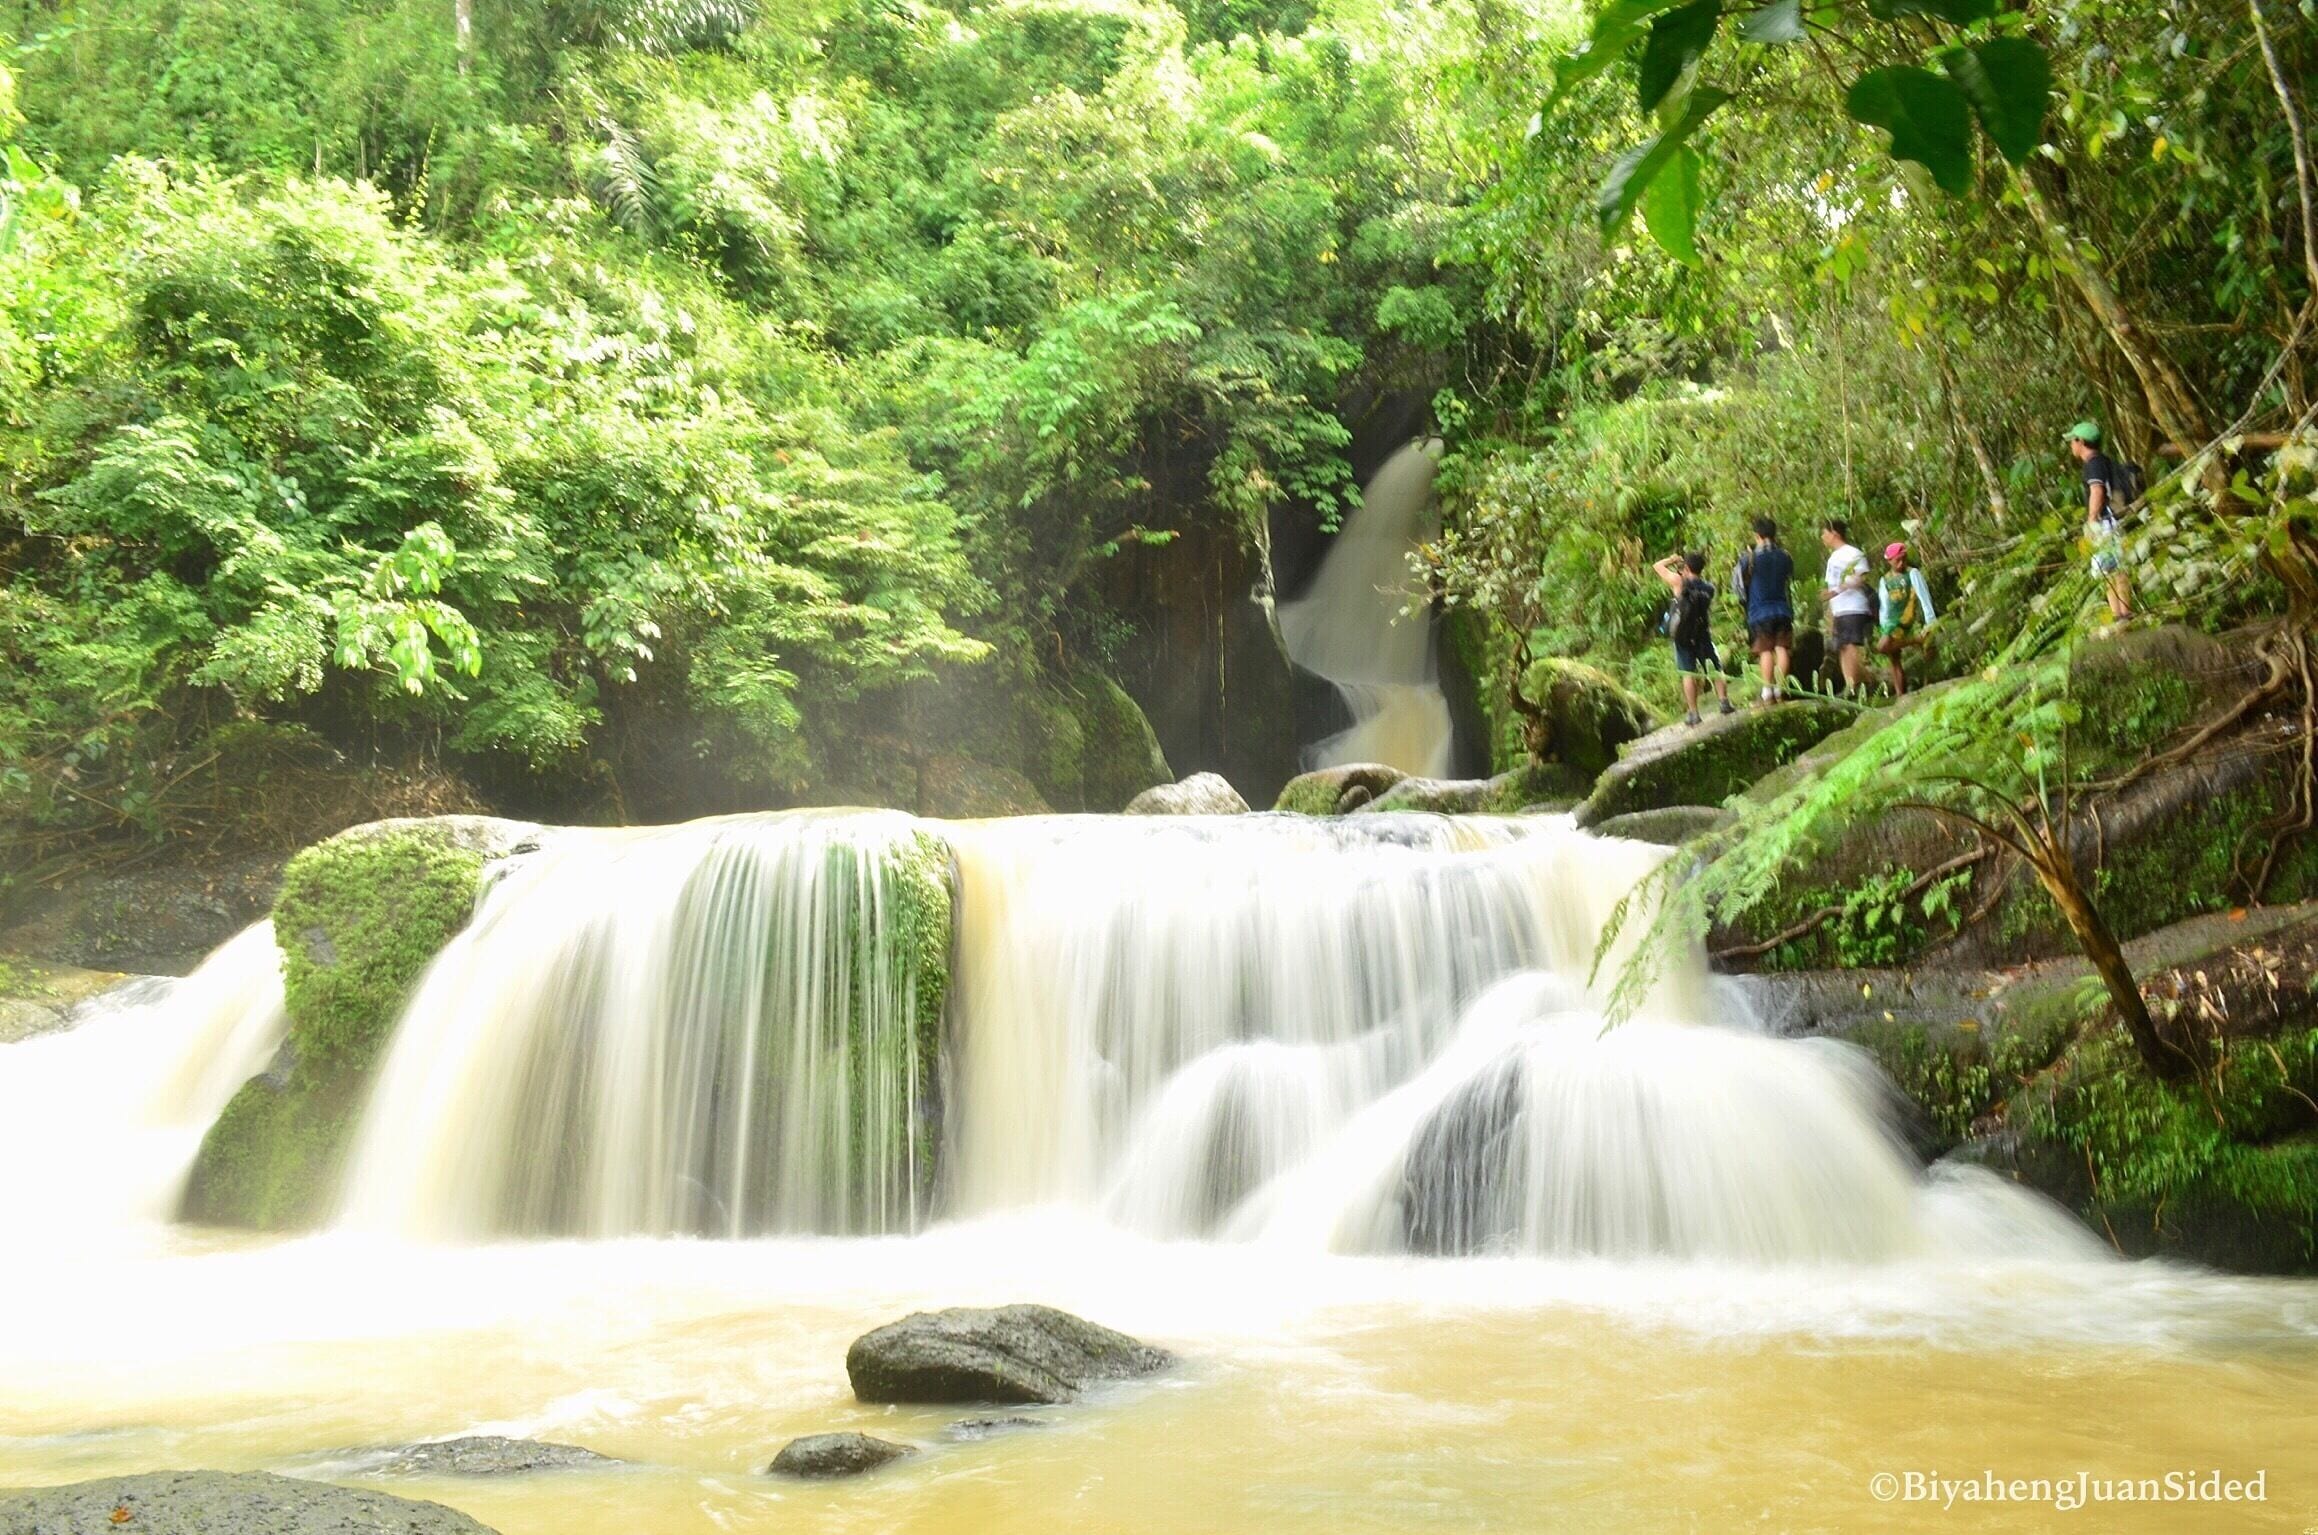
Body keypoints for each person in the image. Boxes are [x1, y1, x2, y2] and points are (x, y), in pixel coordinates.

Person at [1653, 551, 1735, 725]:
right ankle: (1724, 702)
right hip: (1702, 633)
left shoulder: (1678, 582)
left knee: (1687, 673)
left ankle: (1693, 713)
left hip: (1683, 636)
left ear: (1687, 567)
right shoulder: (1709, 589)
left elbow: (1657, 567)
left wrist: (1672, 560)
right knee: (1714, 667)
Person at [2067, 420, 2133, 621]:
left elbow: (2097, 490)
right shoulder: (2103, 460)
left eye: (2073, 440)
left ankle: (2123, 612)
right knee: (2110, 569)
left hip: (2106, 521)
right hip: (2111, 519)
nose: (2071, 445)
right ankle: (2119, 614)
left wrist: (2091, 519)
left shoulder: (2093, 464)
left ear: (2081, 441)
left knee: (2113, 567)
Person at [1732, 516, 1794, 705]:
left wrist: (1745, 600)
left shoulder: (1749, 558)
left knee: (1765, 651)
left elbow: (1737, 586)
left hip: (1759, 611)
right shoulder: (1785, 556)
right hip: (1782, 609)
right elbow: (1789, 578)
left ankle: (1767, 693)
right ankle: (1780, 689)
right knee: (1782, 648)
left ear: (1757, 535)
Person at [1819, 518, 1873, 697]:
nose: (1822, 536)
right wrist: (1831, 613)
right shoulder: (1832, 558)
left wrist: (1837, 591)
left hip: (1854, 606)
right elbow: (1831, 587)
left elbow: (1861, 577)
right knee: (1842, 646)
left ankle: (1854, 686)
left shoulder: (1853, 553)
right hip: (1840, 610)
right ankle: (1857, 683)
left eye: (1824, 532)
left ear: (1835, 533)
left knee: (1850, 645)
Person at [1874, 542, 1936, 696]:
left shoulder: (1913, 574)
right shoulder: (1885, 580)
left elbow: (1924, 598)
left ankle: (1917, 640)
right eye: (1897, 560)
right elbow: (1884, 605)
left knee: (1882, 646)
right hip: (1890, 622)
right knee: (1894, 660)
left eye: (1904, 559)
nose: (1901, 563)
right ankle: (1900, 695)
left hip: (1904, 618)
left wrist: (1931, 623)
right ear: (1889, 561)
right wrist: (1884, 625)